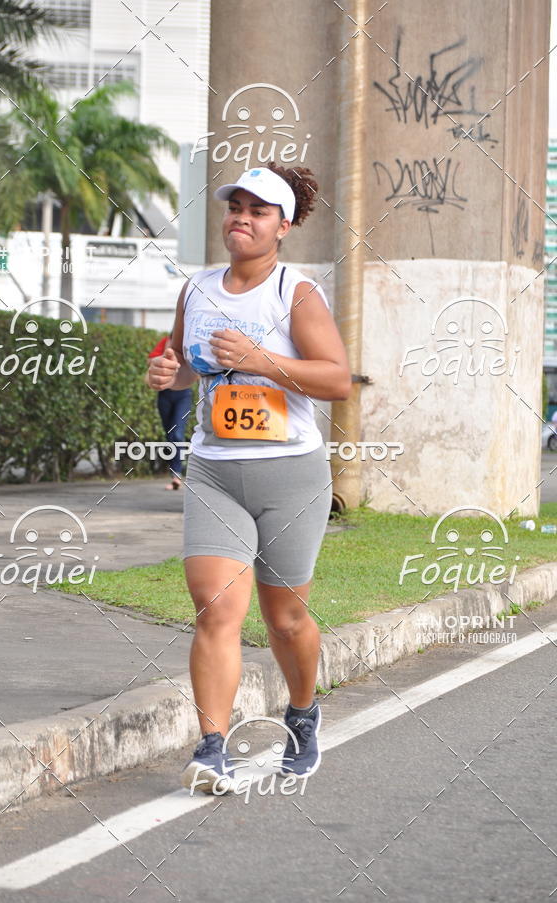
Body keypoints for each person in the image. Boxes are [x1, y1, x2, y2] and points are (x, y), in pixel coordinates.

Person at [146, 162, 351, 793]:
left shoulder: (297, 292)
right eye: (236, 206)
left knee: (285, 618)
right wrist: (168, 376)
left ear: (283, 226)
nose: (242, 217)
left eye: (259, 210)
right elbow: (185, 367)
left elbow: (338, 380)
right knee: (215, 610)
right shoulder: (198, 289)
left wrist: (262, 359)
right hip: (214, 470)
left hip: (291, 472)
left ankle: (303, 714)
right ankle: (212, 749)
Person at [147, 332, 193, 489]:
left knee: (177, 434)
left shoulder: (189, 344)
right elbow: (150, 360)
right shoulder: (165, 342)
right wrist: (161, 362)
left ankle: (176, 475)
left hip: (183, 395)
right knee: (170, 435)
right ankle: (176, 470)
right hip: (165, 394)